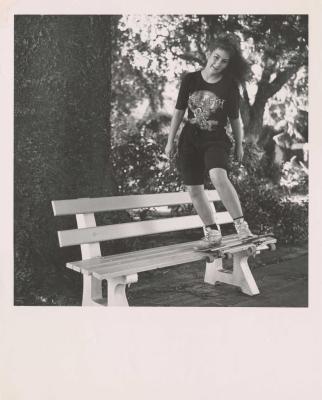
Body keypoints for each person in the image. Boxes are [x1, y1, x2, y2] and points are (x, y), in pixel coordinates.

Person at [165, 34, 253, 250]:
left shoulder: (230, 86)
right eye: (215, 57)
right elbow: (178, 112)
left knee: (217, 175)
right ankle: (212, 233)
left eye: (224, 61)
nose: (217, 64)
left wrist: (240, 145)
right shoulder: (190, 80)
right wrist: (170, 141)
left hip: (215, 140)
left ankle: (242, 227)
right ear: (208, 54)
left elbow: (235, 119)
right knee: (194, 189)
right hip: (190, 139)